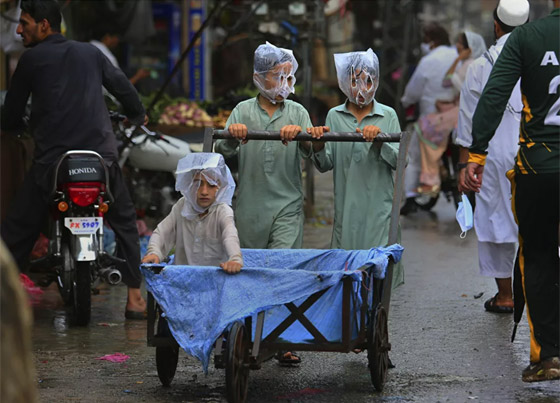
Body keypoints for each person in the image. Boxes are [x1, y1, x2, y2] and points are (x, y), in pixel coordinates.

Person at [0, 0, 148, 319]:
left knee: (18, 227)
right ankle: (136, 298)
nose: (18, 29)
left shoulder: (31, 60)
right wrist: (137, 114)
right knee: (124, 220)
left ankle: (5, 297)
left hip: (53, 163)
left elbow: (12, 111)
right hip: (101, 160)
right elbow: (123, 87)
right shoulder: (90, 53)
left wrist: (13, 127)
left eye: (24, 23)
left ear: (44, 25)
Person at [465, 0, 560, 382]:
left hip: (539, 168)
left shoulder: (527, 37)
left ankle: (548, 356)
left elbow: (493, 96)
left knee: (538, 257)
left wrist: (476, 153)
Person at [215, 42, 313, 364]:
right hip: (249, 206)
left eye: (288, 75)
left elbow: (318, 156)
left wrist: (304, 135)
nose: (284, 83)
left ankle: (284, 339)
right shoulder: (242, 111)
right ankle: (242, 334)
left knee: (282, 267)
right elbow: (222, 158)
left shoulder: (297, 112)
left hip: (287, 206)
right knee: (248, 272)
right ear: (259, 77)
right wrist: (233, 134)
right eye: (277, 76)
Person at [307, 49, 404, 288]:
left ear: (376, 81)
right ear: (343, 82)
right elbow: (325, 164)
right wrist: (318, 144)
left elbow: (401, 162)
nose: (362, 87)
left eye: (368, 80)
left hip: (379, 212)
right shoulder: (334, 115)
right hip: (346, 213)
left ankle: (376, 325)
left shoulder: (387, 115)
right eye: (354, 80)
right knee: (346, 279)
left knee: (379, 277)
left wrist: (380, 139)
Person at [457, 0, 529, 314]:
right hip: (534, 150)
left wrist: (465, 163)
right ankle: (541, 294)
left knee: (495, 217)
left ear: (496, 26)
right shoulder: (539, 58)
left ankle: (505, 296)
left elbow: (467, 121)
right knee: (538, 221)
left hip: (491, 154)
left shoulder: (479, 66)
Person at [142, 153, 243, 274]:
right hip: (182, 279)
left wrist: (235, 259)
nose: (204, 191)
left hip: (214, 281)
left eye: (211, 185)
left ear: (220, 186)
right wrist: (154, 253)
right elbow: (162, 233)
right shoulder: (182, 206)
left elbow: (230, 235)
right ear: (189, 184)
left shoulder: (222, 210)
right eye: (198, 184)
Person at [414, 31, 486, 195]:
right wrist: (457, 60)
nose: (457, 46)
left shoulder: (472, 65)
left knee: (426, 127)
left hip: (466, 110)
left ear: (469, 47)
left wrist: (459, 61)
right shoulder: (465, 63)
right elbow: (447, 82)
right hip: (459, 107)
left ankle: (431, 178)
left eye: (460, 43)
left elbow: (464, 89)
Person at [400, 22, 457, 214]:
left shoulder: (428, 61)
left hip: (431, 121)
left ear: (431, 41)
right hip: (458, 119)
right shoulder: (457, 55)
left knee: (413, 155)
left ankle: (410, 197)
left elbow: (412, 92)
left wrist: (406, 101)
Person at [89, 22, 150, 86]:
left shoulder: (84, 49)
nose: (117, 40)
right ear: (107, 37)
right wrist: (138, 76)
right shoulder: (108, 58)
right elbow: (119, 88)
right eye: (117, 37)